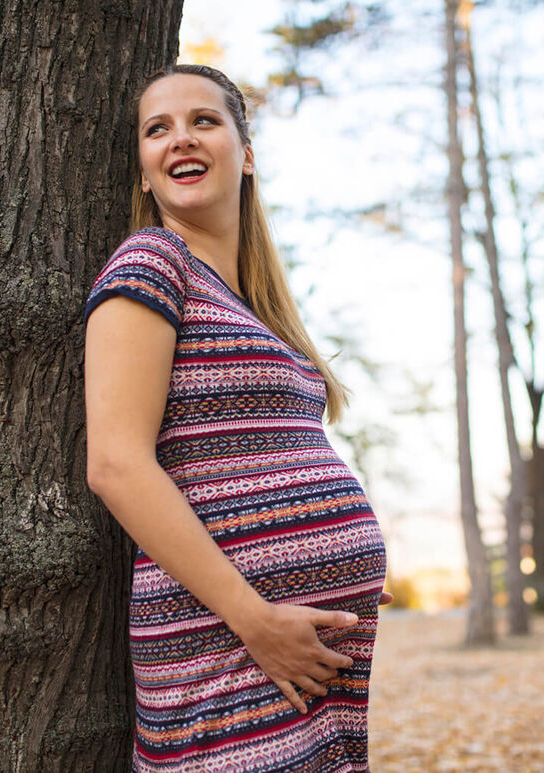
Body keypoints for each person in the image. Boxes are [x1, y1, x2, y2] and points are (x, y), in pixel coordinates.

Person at [83, 64, 390, 772]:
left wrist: (347, 562)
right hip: (227, 646)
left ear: (246, 153)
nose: (180, 139)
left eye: (204, 121)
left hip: (291, 650)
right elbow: (117, 463)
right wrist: (257, 617)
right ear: (142, 171)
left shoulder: (252, 301)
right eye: (156, 129)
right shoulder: (153, 262)